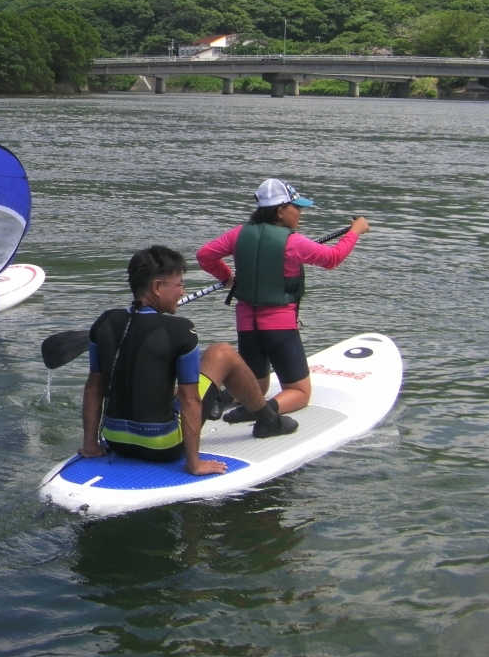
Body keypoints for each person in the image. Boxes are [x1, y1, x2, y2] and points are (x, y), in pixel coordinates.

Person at [80, 245, 297, 476]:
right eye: (179, 285)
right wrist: (193, 463)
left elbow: (94, 387)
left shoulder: (105, 322)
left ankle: (225, 404)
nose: (182, 292)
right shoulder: (181, 330)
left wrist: (91, 445)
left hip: (115, 440)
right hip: (163, 446)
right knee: (222, 353)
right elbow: (190, 399)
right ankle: (268, 421)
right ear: (157, 287)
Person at [196, 178, 370, 421]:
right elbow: (333, 258)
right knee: (299, 392)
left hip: (247, 325)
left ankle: (220, 401)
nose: (300, 213)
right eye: (296, 207)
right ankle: (262, 413)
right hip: (280, 327)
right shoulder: (293, 242)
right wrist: (355, 231)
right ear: (280, 211)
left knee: (257, 385)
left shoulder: (238, 234)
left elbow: (204, 256)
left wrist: (228, 278)